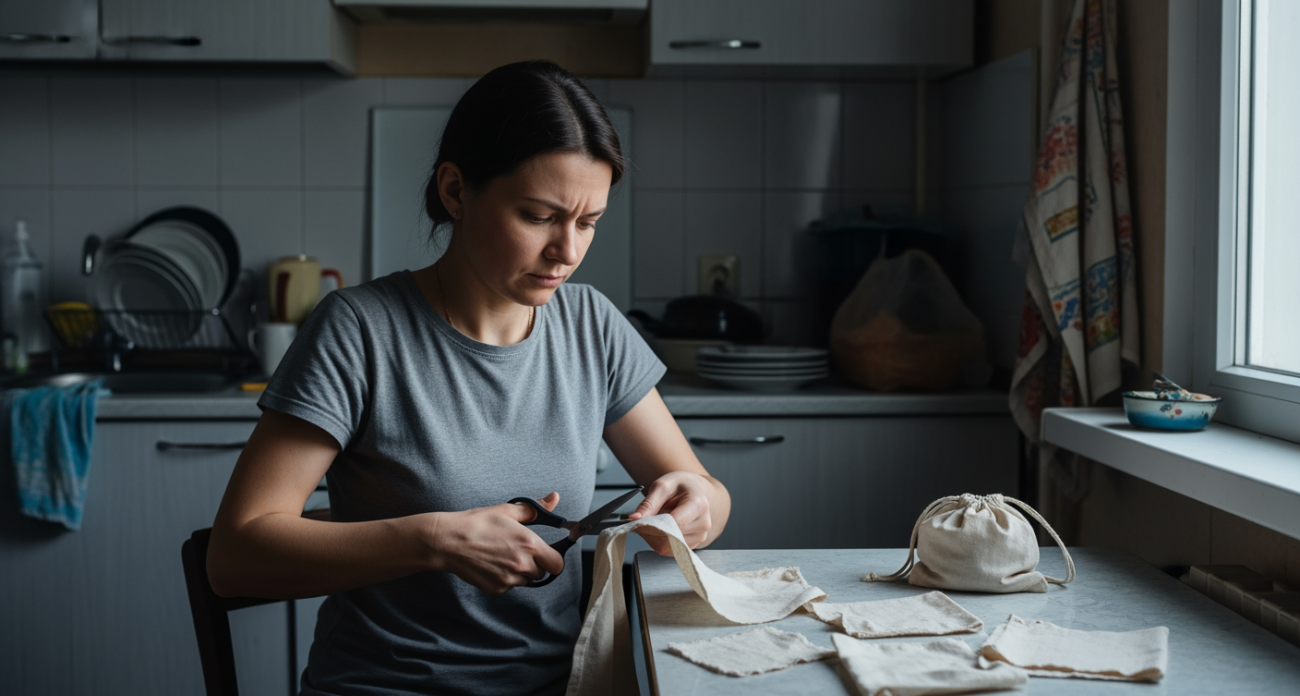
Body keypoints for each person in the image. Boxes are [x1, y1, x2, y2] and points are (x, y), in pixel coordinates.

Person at [206, 60, 731, 696]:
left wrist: (698, 504)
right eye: (539, 216)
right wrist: (433, 540)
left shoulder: (591, 325)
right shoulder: (359, 330)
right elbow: (235, 559)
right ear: (455, 191)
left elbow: (703, 491)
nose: (567, 250)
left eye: (587, 222)